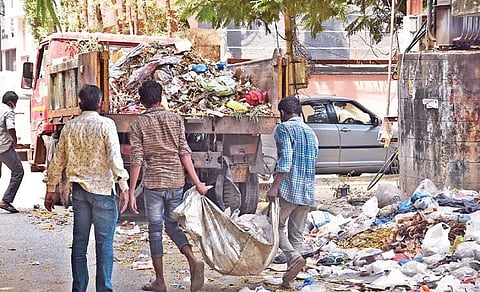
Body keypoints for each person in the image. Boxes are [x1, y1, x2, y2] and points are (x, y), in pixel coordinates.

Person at [44, 84, 130, 292]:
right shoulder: (106, 125)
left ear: (79, 104)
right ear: (100, 104)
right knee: (104, 245)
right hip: (103, 193)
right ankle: (104, 289)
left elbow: (58, 160)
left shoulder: (70, 126)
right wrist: (123, 185)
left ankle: (79, 288)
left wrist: (51, 188)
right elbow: (114, 157)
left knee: (79, 244)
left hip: (80, 194)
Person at [128, 80, 208, 292]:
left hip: (154, 182)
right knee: (172, 225)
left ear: (142, 101)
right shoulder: (175, 119)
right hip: (176, 180)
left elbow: (136, 158)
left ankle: (160, 282)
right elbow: (184, 152)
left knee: (155, 230)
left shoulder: (138, 124)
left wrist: (131, 190)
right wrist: (197, 182)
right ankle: (192, 259)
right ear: (160, 98)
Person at [266, 96, 318, 289]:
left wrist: (274, 187)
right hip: (307, 189)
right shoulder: (311, 132)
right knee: (296, 233)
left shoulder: (283, 129)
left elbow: (285, 160)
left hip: (289, 189)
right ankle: (289, 279)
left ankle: (293, 256)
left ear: (282, 113)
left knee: (273, 225)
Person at [0, 91, 24, 213]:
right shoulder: (8, 111)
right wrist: (15, 140)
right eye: (15, 103)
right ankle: (6, 200)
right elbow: (10, 128)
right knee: (18, 171)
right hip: (3, 147)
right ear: (11, 102)